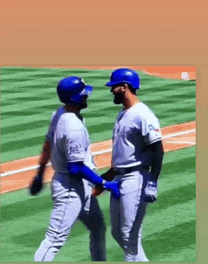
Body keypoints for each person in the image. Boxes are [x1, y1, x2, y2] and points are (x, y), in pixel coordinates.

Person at [29, 76, 120, 262]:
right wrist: (103, 183)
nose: (86, 97)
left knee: (98, 227)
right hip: (71, 190)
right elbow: (76, 168)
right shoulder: (73, 128)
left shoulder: (60, 114)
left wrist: (39, 174)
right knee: (54, 239)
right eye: (83, 95)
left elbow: (47, 144)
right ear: (74, 98)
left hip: (78, 186)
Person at [92, 68, 164, 262]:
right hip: (119, 177)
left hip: (136, 179)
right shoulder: (123, 114)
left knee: (129, 235)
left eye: (114, 87)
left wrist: (152, 182)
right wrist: (103, 180)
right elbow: (122, 157)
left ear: (124, 87)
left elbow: (157, 149)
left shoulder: (142, 114)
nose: (111, 91)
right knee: (118, 233)